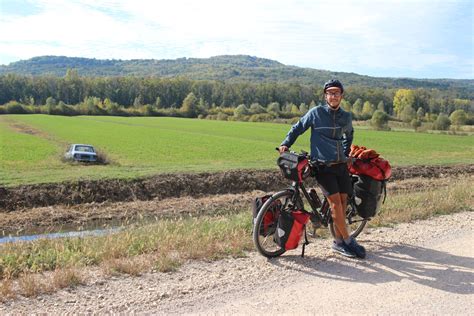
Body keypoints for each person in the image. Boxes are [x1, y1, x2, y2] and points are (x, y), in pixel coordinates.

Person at [278, 79, 366, 259]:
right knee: (335, 204)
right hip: (322, 166)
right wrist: (285, 143)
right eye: (330, 93)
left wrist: (347, 153)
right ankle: (349, 241)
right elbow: (298, 128)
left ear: (341, 96)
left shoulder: (346, 117)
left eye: (337, 93)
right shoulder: (316, 113)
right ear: (325, 96)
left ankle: (338, 243)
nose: (333, 96)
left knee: (342, 202)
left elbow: (349, 135)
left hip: (341, 165)